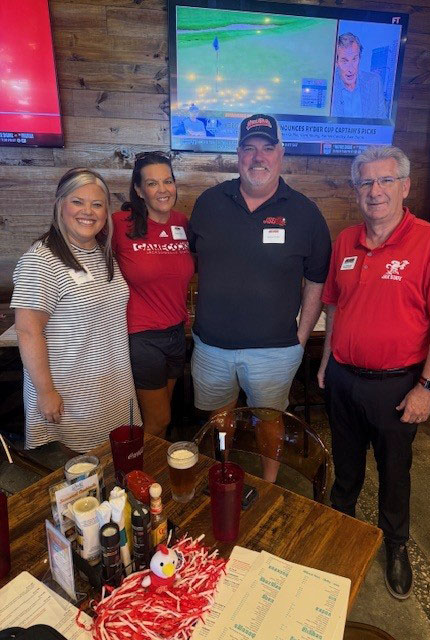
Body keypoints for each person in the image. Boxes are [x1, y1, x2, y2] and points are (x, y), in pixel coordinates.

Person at [317, 145, 430, 600]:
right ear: (356, 189)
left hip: (398, 386)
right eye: (365, 182)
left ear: (404, 187)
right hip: (342, 378)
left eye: (384, 181)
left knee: (395, 473)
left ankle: (396, 546)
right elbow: (335, 306)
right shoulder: (345, 242)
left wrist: (428, 386)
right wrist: (325, 363)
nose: (374, 191)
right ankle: (341, 531)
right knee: (345, 467)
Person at [188, 113, 331, 482]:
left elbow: (317, 280)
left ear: (281, 154)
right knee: (220, 420)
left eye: (268, 148)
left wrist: (301, 337)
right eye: (249, 149)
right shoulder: (208, 203)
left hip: (275, 349)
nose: (258, 157)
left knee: (270, 421)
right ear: (237, 155)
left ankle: (269, 482)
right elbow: (188, 264)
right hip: (212, 346)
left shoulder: (305, 213)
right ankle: (221, 472)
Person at [12, 168, 141, 453]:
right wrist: (46, 392)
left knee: (112, 468)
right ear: (59, 204)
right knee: (80, 477)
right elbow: (27, 330)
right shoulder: (41, 260)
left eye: (97, 204)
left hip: (111, 387)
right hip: (71, 395)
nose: (88, 212)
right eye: (77, 201)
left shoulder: (100, 251)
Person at [111, 152, 194, 438]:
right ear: (138, 190)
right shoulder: (119, 224)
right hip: (141, 335)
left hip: (176, 333)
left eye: (167, 181)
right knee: (160, 419)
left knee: (158, 420)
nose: (162, 190)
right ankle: (141, 478)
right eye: (152, 183)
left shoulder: (183, 223)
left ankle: (144, 471)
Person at [331, 33, 388, 119]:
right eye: (344, 61)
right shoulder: (329, 85)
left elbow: (382, 120)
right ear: (336, 63)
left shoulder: (374, 81)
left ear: (359, 58)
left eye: (354, 59)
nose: (351, 69)